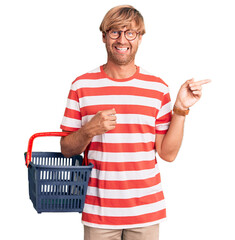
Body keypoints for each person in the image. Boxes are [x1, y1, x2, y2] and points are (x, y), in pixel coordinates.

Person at [60, 5, 210, 240]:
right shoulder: (81, 85)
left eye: (130, 33)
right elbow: (67, 150)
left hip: (146, 213)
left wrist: (181, 109)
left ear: (140, 38)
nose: (122, 40)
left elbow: (168, 154)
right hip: (98, 213)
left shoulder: (157, 88)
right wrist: (89, 130)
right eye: (115, 32)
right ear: (103, 36)